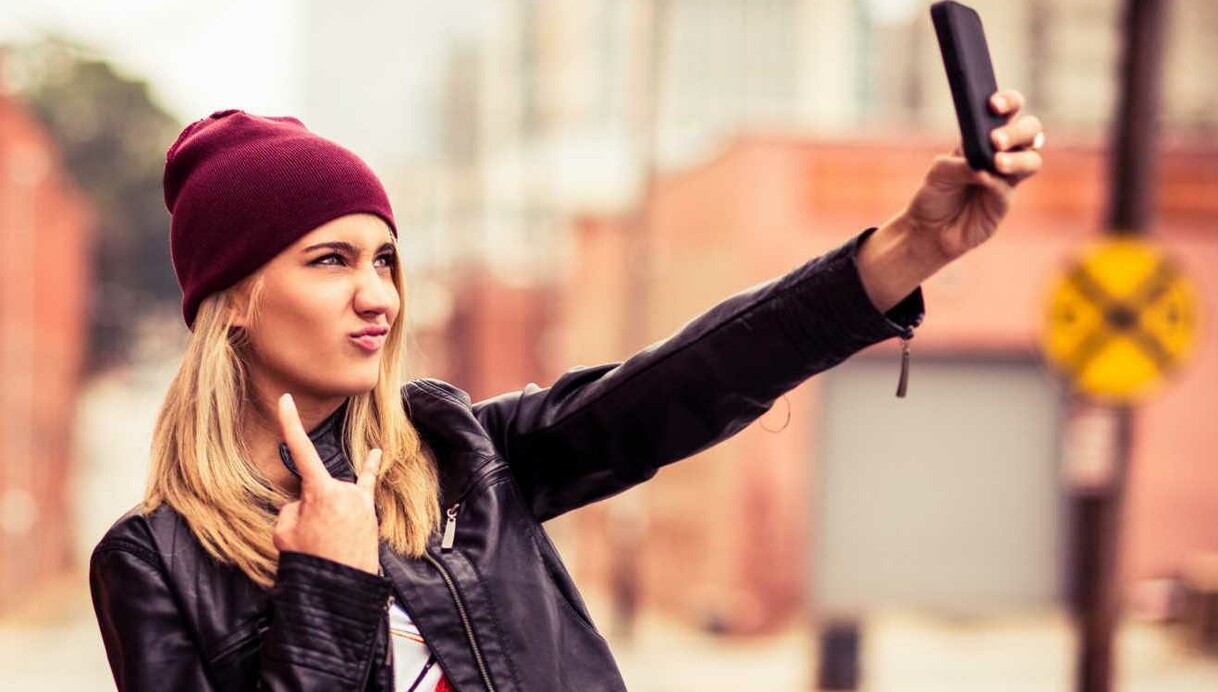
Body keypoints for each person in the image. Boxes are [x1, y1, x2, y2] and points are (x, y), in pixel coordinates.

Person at [90, 91, 1043, 691]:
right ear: (237, 301)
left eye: (386, 259)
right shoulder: (153, 562)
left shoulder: (457, 453)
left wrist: (909, 251)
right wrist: (330, 582)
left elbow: (684, 384)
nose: (378, 296)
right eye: (330, 261)